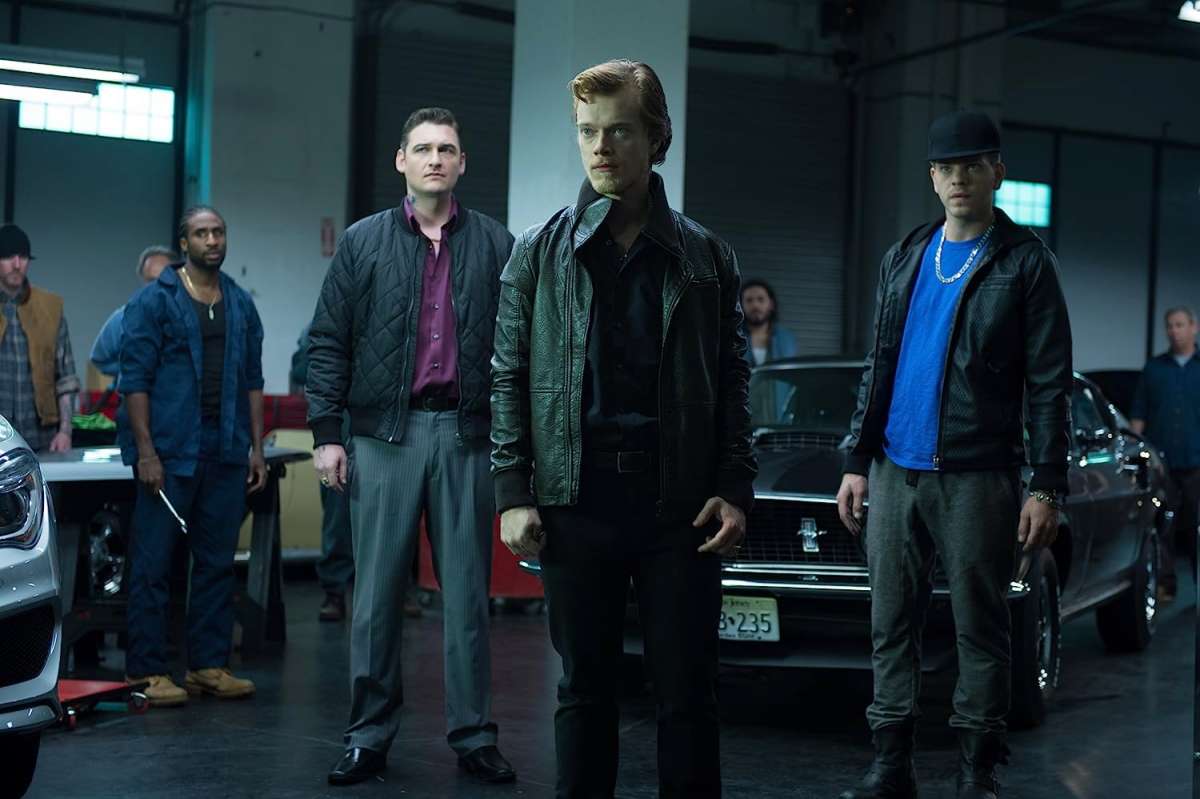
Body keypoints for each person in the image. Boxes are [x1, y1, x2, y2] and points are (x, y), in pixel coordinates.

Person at [492, 60, 755, 799]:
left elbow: (734, 379)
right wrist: (512, 491)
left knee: (687, 692)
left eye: (619, 131)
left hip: (681, 506)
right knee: (584, 690)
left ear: (657, 138)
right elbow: (507, 374)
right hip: (576, 501)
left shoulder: (707, 257)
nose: (601, 147)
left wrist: (735, 485)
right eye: (587, 132)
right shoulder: (538, 252)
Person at [835, 111, 1072, 799]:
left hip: (977, 472)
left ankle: (977, 771)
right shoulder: (906, 255)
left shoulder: (1026, 262)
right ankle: (891, 764)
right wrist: (856, 459)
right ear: (933, 178)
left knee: (981, 624)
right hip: (894, 468)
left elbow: (1050, 382)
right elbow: (879, 363)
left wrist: (1046, 484)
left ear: (997, 171)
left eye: (973, 164)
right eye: (947, 167)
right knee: (890, 623)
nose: (959, 177)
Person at [307, 107, 517, 786]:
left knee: (467, 598)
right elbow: (328, 341)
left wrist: (516, 445)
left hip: (465, 436)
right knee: (374, 600)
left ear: (462, 164)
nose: (435, 159)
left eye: (446, 149)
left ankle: (474, 734)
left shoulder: (496, 244)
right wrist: (327, 436)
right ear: (401, 160)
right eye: (422, 149)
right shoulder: (363, 241)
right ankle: (368, 736)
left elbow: (520, 351)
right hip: (383, 439)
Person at [118, 206, 267, 708]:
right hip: (170, 452)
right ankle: (146, 669)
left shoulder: (240, 303)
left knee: (217, 563)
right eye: (202, 233)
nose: (212, 240)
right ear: (184, 243)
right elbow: (134, 380)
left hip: (224, 450)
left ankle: (207, 665)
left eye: (218, 232)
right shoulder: (154, 301)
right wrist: (145, 452)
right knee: (154, 563)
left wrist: (256, 448)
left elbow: (252, 380)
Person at [1131, 306, 1200, 602]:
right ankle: (1165, 584)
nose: (1174, 331)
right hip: (1162, 463)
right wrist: (1135, 453)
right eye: (1170, 325)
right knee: (1162, 526)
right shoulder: (1154, 369)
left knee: (1196, 528)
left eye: (1180, 324)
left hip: (1196, 462)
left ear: (1194, 327)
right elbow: (1139, 414)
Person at [0, 223, 80, 453]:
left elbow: (66, 377)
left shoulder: (49, 308)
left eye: (23, 257)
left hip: (42, 437)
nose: (17, 264)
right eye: (9, 257)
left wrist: (65, 432)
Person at [90, 245, 178, 378]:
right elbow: (99, 359)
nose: (157, 287)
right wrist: (131, 370)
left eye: (163, 279)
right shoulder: (122, 318)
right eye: (151, 281)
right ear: (143, 281)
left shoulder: (190, 317)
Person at [741, 278, 797, 367]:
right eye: (749, 300)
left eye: (761, 299)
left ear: (771, 304)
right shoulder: (734, 337)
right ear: (741, 305)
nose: (755, 305)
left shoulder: (786, 338)